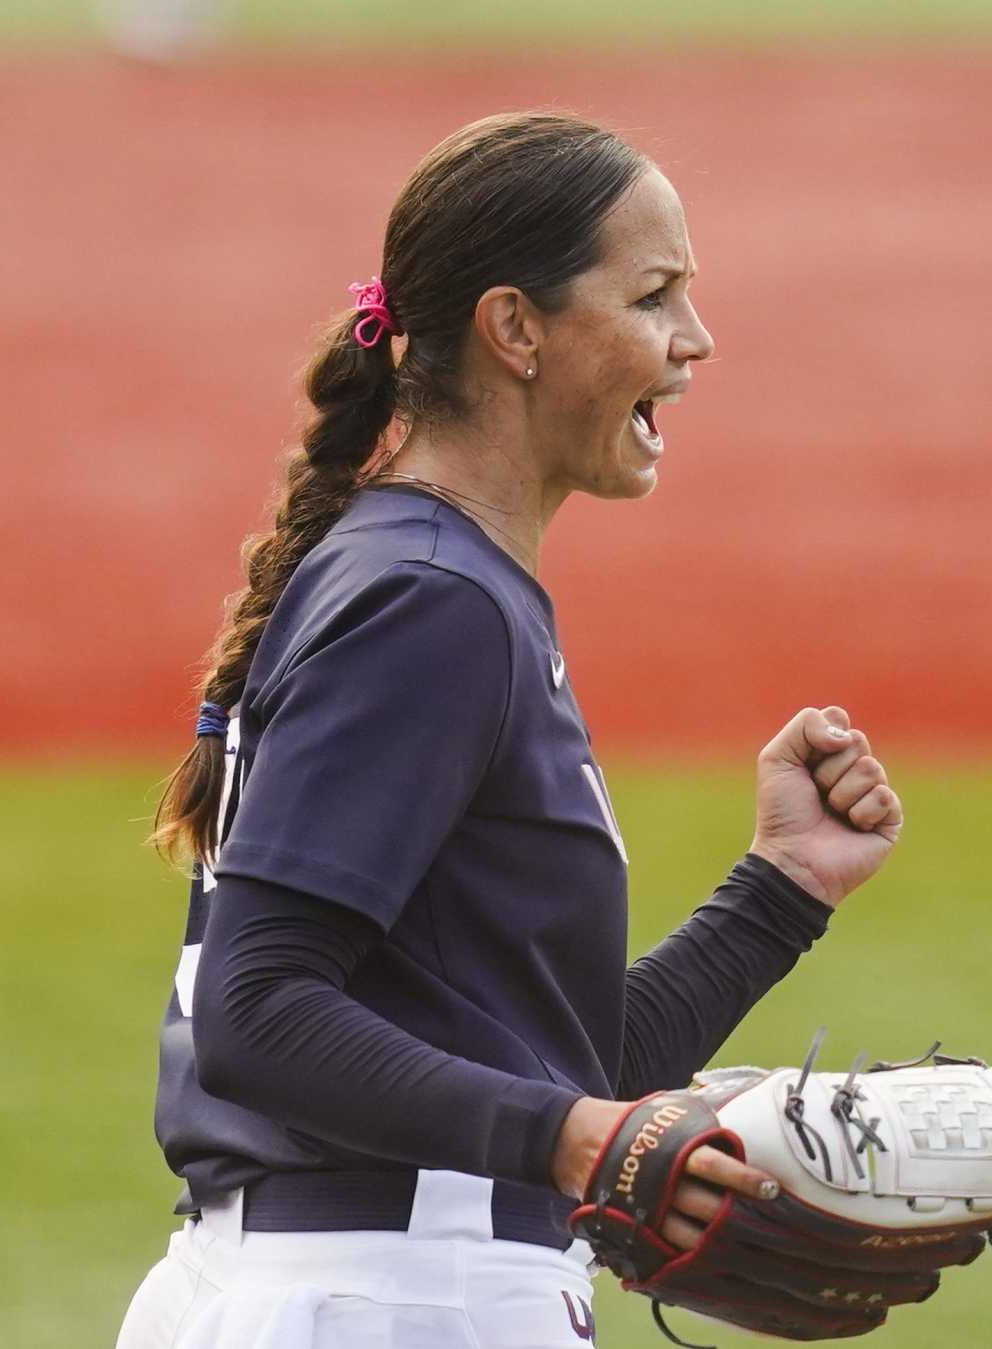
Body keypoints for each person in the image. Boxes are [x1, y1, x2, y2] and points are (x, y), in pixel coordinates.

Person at [115, 111, 906, 1349]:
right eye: (653, 297)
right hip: (387, 1297)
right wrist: (576, 1140)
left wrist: (779, 890)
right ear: (515, 328)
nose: (694, 341)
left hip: (366, 1284)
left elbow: (551, 1059)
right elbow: (256, 1010)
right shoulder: (429, 602)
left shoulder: (434, 581)